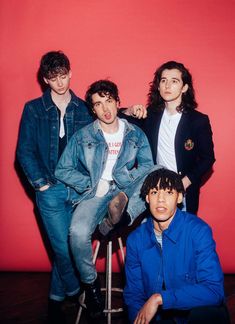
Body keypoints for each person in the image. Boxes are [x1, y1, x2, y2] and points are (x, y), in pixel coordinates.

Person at [16, 51, 145, 323]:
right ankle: (76, 290)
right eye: (53, 78)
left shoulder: (81, 107)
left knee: (70, 241)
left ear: (70, 74)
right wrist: (41, 185)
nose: (60, 82)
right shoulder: (34, 109)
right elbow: (25, 151)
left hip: (80, 190)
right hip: (51, 190)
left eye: (63, 76)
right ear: (45, 80)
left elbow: (107, 118)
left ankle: (55, 298)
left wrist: (130, 110)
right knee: (62, 248)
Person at [55, 79, 155, 319]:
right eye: (99, 104)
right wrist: (91, 183)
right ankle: (90, 286)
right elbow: (62, 170)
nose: (106, 109)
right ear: (93, 109)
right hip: (96, 194)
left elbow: (148, 165)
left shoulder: (134, 133)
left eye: (109, 101)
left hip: (125, 191)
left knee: (158, 169)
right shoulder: (83, 135)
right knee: (77, 232)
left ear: (118, 102)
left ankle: (121, 216)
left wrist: (124, 178)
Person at [124, 169, 229, 324]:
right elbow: (134, 295)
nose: (160, 199)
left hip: (194, 313)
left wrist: (160, 298)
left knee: (207, 315)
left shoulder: (198, 231)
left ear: (179, 197)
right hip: (160, 318)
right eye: (154, 192)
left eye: (168, 192)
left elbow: (214, 290)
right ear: (147, 198)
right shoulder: (136, 240)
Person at [143, 61, 215, 214]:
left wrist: (182, 183)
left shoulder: (197, 120)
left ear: (184, 87)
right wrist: (130, 110)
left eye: (174, 81)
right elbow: (120, 118)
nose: (167, 86)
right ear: (158, 86)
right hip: (155, 190)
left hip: (184, 191)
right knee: (153, 236)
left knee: (182, 236)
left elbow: (208, 158)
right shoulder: (150, 115)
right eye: (163, 81)